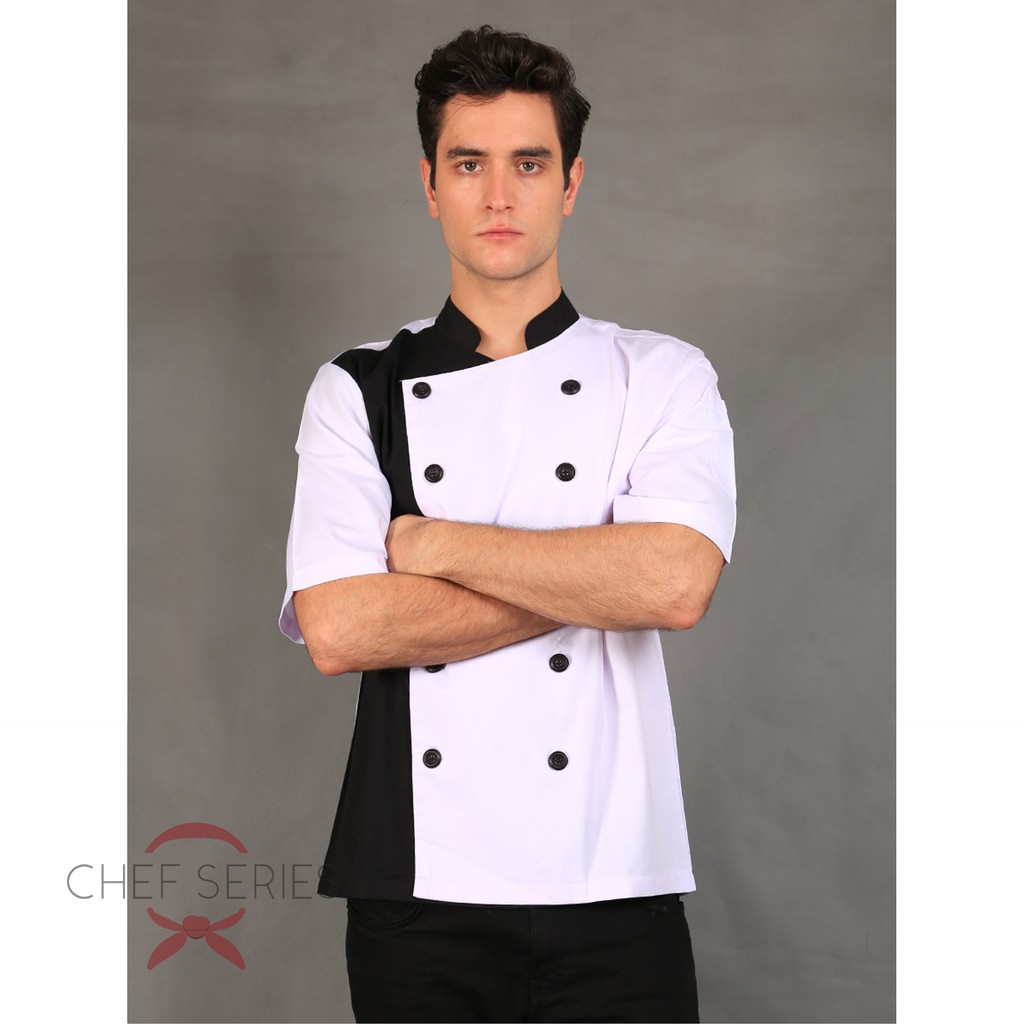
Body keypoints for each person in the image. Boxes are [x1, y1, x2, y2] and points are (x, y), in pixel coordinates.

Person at [279, 24, 736, 1024]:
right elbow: (341, 628)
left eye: (528, 164)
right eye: (468, 164)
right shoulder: (357, 387)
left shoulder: (661, 375)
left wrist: (432, 544)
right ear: (429, 184)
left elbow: (673, 584)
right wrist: (595, 578)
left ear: (570, 183)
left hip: (614, 874)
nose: (497, 195)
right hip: (417, 889)